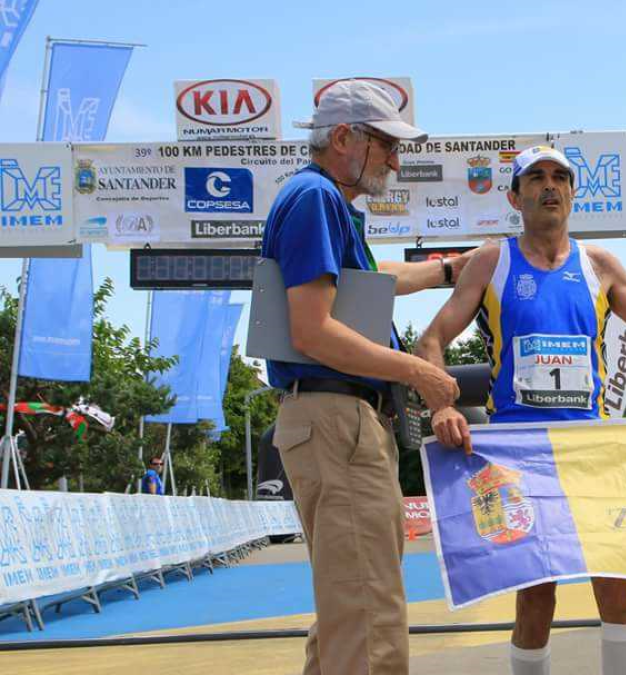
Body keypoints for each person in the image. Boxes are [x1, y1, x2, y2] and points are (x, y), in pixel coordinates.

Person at [416, 145, 626, 675]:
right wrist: (441, 405)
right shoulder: (493, 261)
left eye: (560, 177)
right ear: (515, 195)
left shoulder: (599, 265)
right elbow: (431, 341)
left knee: (616, 585)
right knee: (536, 598)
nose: (549, 186)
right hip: (517, 450)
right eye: (536, 178)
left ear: (572, 192)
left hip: (591, 448)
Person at [261, 80, 469, 675]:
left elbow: (375, 282)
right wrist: (420, 374)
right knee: (370, 616)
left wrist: (452, 268)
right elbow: (315, 332)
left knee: (346, 611)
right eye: (386, 145)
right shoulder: (316, 199)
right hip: (338, 420)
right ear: (345, 137)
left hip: (331, 421)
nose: (397, 162)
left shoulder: (316, 200)